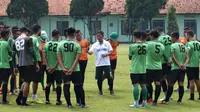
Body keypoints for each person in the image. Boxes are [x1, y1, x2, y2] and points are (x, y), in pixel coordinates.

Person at [57, 27, 86, 108]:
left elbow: (59, 58)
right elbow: (77, 59)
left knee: (66, 86)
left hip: (65, 69)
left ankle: (69, 104)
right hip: (75, 69)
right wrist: (72, 69)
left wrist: (63, 68)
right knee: (79, 85)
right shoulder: (77, 45)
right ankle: (82, 103)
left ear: (66, 34)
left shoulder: (60, 44)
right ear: (74, 34)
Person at [13, 27, 39, 106]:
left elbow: (13, 55)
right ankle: (23, 102)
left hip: (20, 64)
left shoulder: (15, 40)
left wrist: (14, 66)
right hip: (28, 63)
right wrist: (36, 62)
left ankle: (19, 99)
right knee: (27, 82)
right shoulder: (28, 39)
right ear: (26, 32)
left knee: (24, 81)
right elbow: (32, 51)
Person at [162, 32, 189, 104]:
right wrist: (184, 65)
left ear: (174, 37)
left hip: (175, 68)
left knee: (171, 84)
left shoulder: (173, 46)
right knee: (181, 84)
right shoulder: (184, 46)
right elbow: (187, 58)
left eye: (171, 37)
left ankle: (167, 100)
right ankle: (179, 100)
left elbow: (173, 56)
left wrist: (178, 64)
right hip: (182, 68)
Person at [87, 31, 114, 95]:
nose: (98, 37)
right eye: (97, 36)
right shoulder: (95, 44)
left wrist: (106, 54)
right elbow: (91, 52)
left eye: (99, 36)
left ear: (102, 36)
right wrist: (87, 51)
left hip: (106, 63)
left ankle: (111, 90)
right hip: (99, 64)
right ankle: (100, 90)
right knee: (99, 78)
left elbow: (111, 51)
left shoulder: (107, 43)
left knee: (110, 77)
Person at [129, 30, 148, 108]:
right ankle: (145, 102)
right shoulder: (146, 46)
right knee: (143, 85)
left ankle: (136, 103)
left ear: (134, 37)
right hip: (143, 68)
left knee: (135, 85)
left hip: (135, 68)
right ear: (141, 36)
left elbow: (130, 57)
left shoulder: (132, 46)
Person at [146, 30, 165, 106]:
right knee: (157, 83)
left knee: (148, 83)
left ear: (151, 36)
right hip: (158, 67)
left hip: (149, 66)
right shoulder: (162, 46)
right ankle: (155, 101)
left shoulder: (148, 44)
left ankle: (150, 97)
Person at [44, 30, 62, 105]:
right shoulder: (60, 44)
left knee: (48, 84)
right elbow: (60, 58)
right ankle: (58, 100)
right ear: (57, 35)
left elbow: (44, 57)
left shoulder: (47, 44)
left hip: (49, 68)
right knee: (58, 84)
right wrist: (55, 67)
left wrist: (48, 66)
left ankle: (47, 100)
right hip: (57, 68)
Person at [157, 27, 172, 101]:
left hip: (163, 61)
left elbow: (162, 51)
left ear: (158, 32)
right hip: (170, 60)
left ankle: (166, 96)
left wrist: (166, 59)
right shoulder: (169, 37)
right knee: (169, 78)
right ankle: (169, 95)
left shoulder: (159, 39)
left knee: (162, 79)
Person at [75, 30, 89, 105]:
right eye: (77, 35)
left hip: (84, 60)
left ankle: (81, 84)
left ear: (82, 35)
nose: (78, 36)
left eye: (79, 35)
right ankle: (78, 99)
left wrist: (87, 50)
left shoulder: (85, 42)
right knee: (78, 77)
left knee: (82, 75)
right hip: (77, 61)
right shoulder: (74, 42)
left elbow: (87, 49)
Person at [30, 24, 43, 103]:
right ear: (39, 30)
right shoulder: (36, 39)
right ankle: (34, 96)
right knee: (36, 80)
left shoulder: (29, 38)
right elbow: (40, 49)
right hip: (36, 60)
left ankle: (23, 96)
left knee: (27, 80)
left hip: (28, 61)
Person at [186, 30, 200, 100]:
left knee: (191, 81)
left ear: (188, 35)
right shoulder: (198, 43)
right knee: (197, 81)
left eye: (186, 35)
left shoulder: (188, 44)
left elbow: (187, 52)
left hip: (190, 65)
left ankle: (192, 96)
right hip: (196, 65)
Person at [0, 29, 12, 104]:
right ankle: (4, 100)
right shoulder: (6, 43)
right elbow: (11, 53)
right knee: (5, 82)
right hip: (5, 65)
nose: (9, 36)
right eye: (8, 35)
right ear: (6, 35)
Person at [8, 26, 20, 94]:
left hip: (17, 60)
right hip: (13, 60)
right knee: (13, 74)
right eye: (16, 33)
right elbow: (11, 52)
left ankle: (15, 88)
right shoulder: (11, 41)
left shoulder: (17, 41)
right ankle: (13, 89)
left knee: (14, 75)